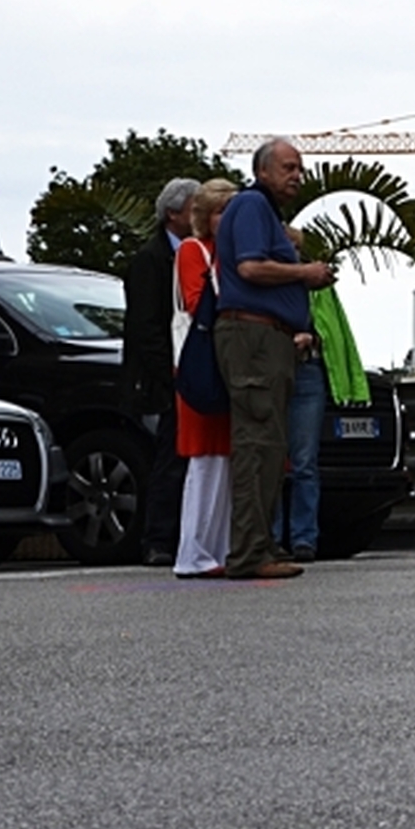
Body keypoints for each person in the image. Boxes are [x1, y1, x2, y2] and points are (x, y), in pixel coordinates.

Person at [211, 139, 333, 581]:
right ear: (262, 171)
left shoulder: (263, 211)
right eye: (288, 167)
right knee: (258, 445)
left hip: (268, 338)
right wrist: (304, 273)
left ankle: (259, 545)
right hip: (254, 338)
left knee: (268, 445)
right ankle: (249, 553)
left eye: (299, 168)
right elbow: (249, 268)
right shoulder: (251, 206)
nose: (297, 175)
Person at [276, 224, 370, 564]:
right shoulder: (266, 283)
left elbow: (335, 330)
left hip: (308, 371)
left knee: (304, 461)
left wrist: (312, 338)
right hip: (273, 369)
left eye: (293, 247)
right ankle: (270, 537)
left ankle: (304, 538)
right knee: (271, 459)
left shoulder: (318, 284)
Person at [123, 179, 200, 565]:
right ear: (174, 214)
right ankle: (158, 539)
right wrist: (169, 376)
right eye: (194, 209)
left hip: (187, 372)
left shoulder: (197, 255)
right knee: (169, 458)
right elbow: (146, 327)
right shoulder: (150, 261)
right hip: (165, 378)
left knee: (187, 458)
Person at [171, 180, 238, 578]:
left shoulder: (221, 253)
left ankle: (219, 549)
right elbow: (196, 303)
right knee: (205, 459)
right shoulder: (193, 252)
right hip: (203, 364)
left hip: (223, 363)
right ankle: (195, 550)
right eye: (220, 212)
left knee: (224, 459)